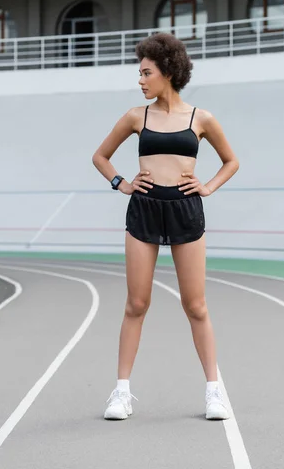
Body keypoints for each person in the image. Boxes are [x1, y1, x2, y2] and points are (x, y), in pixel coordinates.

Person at [92, 32, 239, 421]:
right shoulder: (135, 116)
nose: (140, 80)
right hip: (143, 210)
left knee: (196, 305)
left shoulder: (200, 118)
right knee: (136, 304)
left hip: (186, 211)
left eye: (146, 72)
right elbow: (101, 156)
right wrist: (121, 183)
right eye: (139, 74)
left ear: (168, 71)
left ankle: (214, 392)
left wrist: (207, 186)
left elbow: (231, 161)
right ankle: (121, 393)